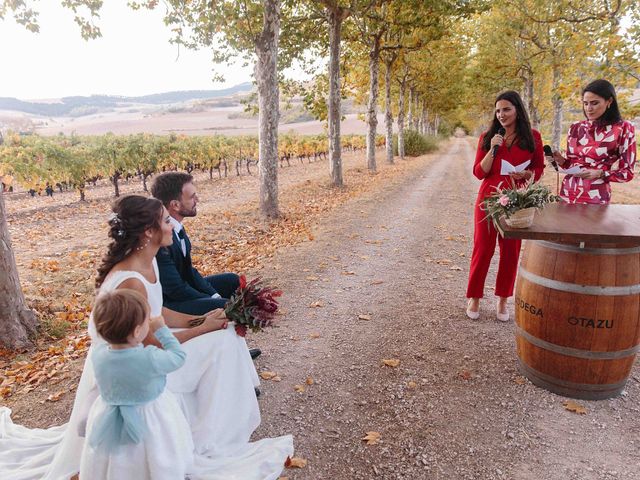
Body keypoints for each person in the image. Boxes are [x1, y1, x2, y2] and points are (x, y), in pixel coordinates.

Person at [0, 195, 293, 480]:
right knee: (221, 342)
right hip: (130, 362)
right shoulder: (129, 280)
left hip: (146, 341)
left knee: (224, 333)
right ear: (148, 232)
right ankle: (210, 434)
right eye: (166, 221)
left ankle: (219, 423)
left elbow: (158, 312)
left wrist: (202, 319)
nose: (171, 225)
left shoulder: (148, 260)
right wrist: (202, 328)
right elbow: (146, 342)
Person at [80, 289, 194, 480]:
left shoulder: (98, 355)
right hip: (150, 415)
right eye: (146, 323)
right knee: (156, 450)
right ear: (137, 331)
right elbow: (178, 357)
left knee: (116, 458)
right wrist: (162, 330)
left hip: (107, 412)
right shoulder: (149, 358)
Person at [150, 172, 262, 359]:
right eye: (192, 196)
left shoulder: (177, 228)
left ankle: (237, 349)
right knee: (224, 307)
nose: (197, 199)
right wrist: (212, 301)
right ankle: (231, 360)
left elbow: (190, 272)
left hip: (182, 292)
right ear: (175, 205)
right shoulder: (162, 239)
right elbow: (176, 289)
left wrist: (213, 293)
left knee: (232, 281)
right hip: (170, 304)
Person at [466, 90, 545, 322]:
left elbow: (539, 167)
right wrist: (492, 148)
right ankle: (474, 297)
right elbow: (479, 172)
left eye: (506, 109)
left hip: (517, 200)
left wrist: (529, 173)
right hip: (488, 199)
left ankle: (502, 299)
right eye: (498, 110)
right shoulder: (487, 136)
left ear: (518, 110)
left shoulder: (533, 137)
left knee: (510, 253)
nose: (501, 114)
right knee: (483, 249)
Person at [551, 79, 636, 204]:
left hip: (596, 196)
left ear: (609, 101)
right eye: (585, 103)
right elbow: (571, 165)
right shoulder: (576, 127)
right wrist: (561, 160)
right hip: (568, 192)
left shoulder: (623, 128)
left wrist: (600, 173)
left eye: (594, 103)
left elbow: (627, 173)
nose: (589, 108)